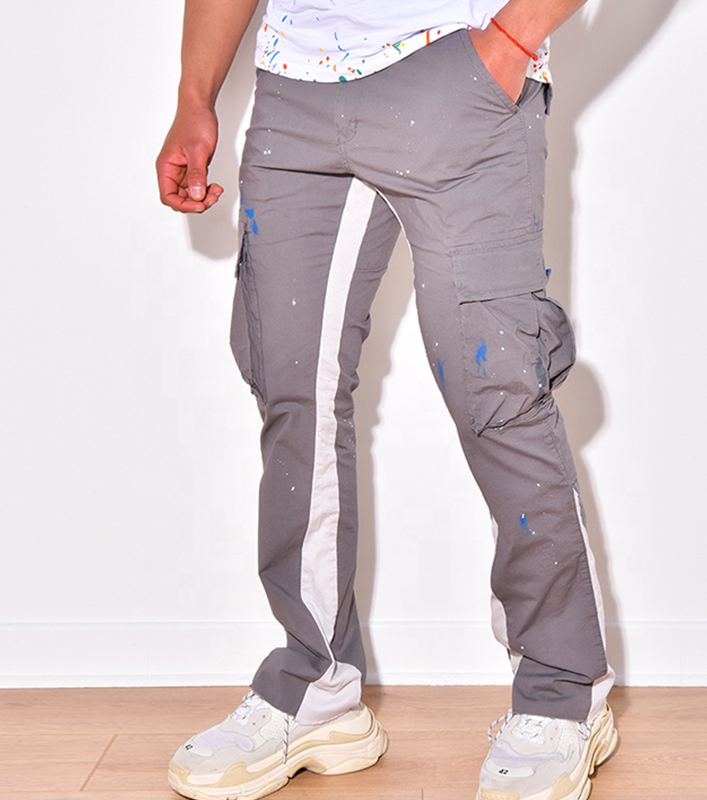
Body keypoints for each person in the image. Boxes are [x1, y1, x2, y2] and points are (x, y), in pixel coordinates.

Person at [156, 1, 618, 798]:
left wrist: (512, 38)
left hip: (457, 70)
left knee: (497, 391)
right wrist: (195, 95)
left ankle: (561, 689)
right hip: (294, 88)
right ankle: (316, 683)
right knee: (292, 389)